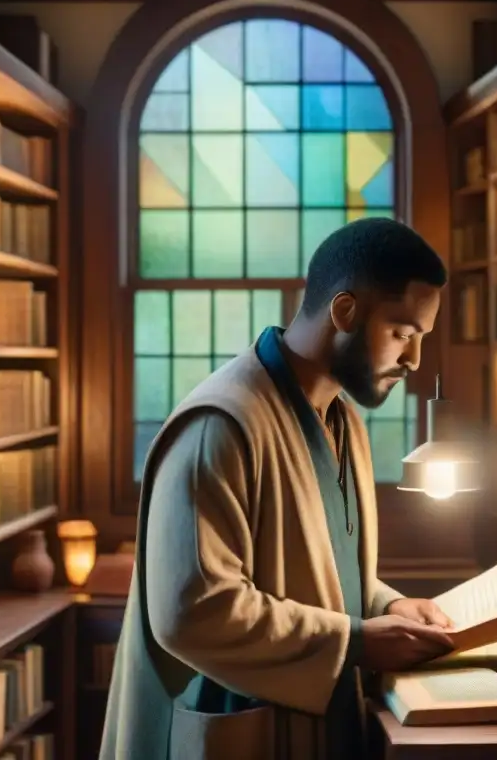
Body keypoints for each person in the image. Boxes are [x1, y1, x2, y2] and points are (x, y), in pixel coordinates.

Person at [100, 218, 456, 760]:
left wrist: (391, 604)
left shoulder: (341, 420)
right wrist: (358, 640)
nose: (413, 360)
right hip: (234, 726)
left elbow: (319, 570)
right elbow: (193, 611)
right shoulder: (219, 424)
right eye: (403, 334)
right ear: (345, 312)